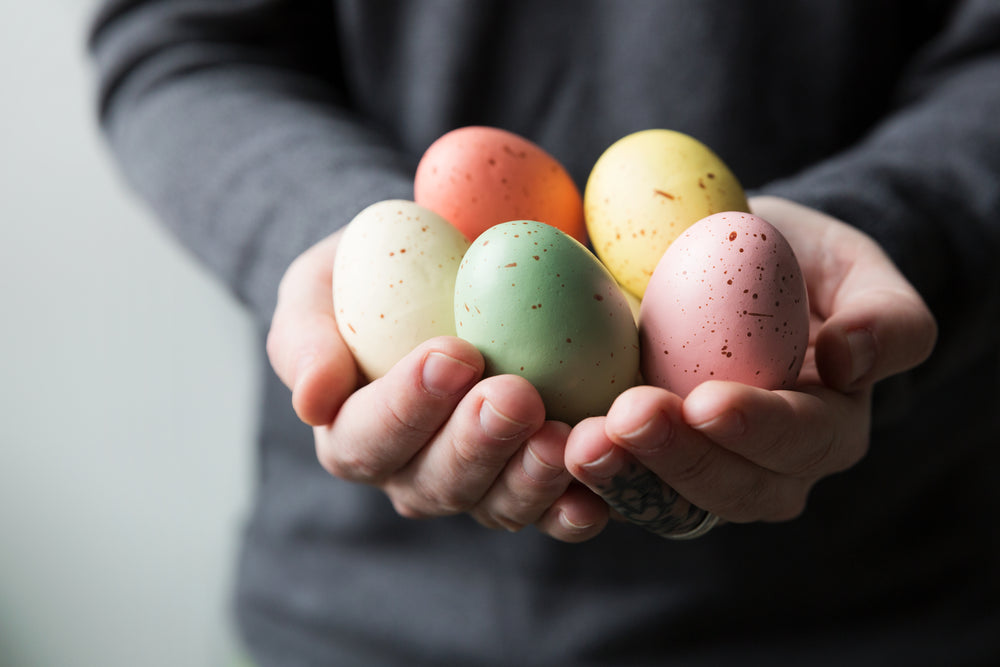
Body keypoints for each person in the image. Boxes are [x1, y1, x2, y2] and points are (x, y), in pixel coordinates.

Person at [89, 1, 999, 664]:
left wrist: (895, 229)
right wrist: (346, 242)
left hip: (873, 606)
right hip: (368, 610)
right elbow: (179, 38)